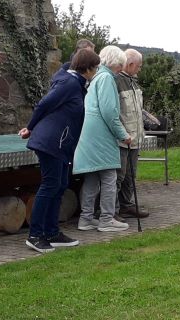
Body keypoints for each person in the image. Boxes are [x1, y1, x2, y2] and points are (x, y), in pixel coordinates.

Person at [19, 48, 100, 253]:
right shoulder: (69, 83)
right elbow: (44, 104)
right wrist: (30, 127)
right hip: (51, 142)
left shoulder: (75, 82)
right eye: (96, 68)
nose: (97, 71)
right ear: (87, 69)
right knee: (50, 185)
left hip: (62, 144)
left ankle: (52, 232)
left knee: (60, 185)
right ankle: (35, 235)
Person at [74, 45, 131, 232]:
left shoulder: (96, 77)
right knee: (109, 177)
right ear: (115, 63)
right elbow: (109, 112)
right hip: (101, 137)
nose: (120, 69)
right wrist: (123, 135)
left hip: (88, 135)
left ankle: (86, 218)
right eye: (120, 65)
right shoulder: (106, 78)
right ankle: (107, 219)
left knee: (91, 178)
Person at [115, 49, 150, 218]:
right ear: (129, 64)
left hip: (135, 138)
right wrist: (122, 133)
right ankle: (111, 210)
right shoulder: (116, 81)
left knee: (130, 175)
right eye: (139, 66)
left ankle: (126, 205)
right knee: (118, 176)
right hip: (122, 139)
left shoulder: (133, 82)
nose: (139, 69)